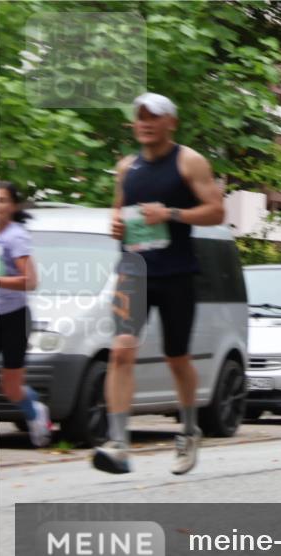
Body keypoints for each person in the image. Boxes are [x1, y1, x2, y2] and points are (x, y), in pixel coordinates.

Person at [92, 93, 225, 475]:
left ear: (171, 123)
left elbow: (216, 211)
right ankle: (118, 443)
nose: (145, 123)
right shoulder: (126, 167)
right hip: (133, 271)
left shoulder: (189, 161)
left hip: (177, 273)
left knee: (176, 357)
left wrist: (170, 213)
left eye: (154, 116)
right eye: (140, 116)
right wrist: (116, 225)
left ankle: (189, 430)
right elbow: (118, 212)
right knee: (121, 351)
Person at [0, 181, 52, 447]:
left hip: (12, 317)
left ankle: (35, 411)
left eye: (2, 200)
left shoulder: (15, 237)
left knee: (11, 388)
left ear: (13, 206)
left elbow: (31, 281)